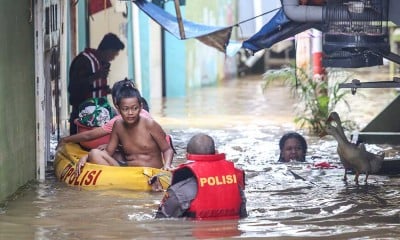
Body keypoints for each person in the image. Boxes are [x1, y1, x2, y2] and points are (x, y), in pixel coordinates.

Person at [75, 83, 174, 173]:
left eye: (134, 108)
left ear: (141, 107)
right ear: (118, 109)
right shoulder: (118, 125)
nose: (130, 113)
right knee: (94, 153)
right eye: (125, 109)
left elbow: (167, 149)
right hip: (128, 174)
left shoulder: (150, 125)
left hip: (152, 172)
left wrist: (167, 165)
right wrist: (86, 157)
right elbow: (108, 152)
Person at [155, 133, 247, 220]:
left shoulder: (179, 190)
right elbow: (243, 215)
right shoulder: (235, 186)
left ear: (187, 156)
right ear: (216, 152)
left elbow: (161, 221)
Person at [58, 79, 151, 150]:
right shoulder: (145, 114)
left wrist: (66, 139)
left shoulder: (118, 120)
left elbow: (89, 135)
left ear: (115, 103)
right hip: (147, 154)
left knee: (95, 154)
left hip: (135, 154)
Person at [68, 32, 125, 134]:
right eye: (114, 53)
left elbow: (95, 88)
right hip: (82, 112)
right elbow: (74, 87)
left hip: (98, 112)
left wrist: (111, 90)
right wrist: (96, 76)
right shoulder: (84, 60)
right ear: (108, 50)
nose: (113, 58)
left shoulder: (100, 62)